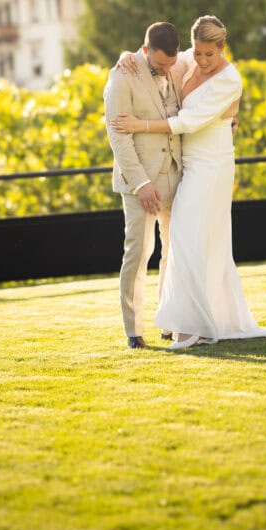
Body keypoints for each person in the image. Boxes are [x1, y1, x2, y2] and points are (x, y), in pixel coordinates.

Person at [112, 15, 266, 350]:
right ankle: (186, 320)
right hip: (187, 166)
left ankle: (193, 324)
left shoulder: (229, 79)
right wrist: (126, 56)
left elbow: (189, 121)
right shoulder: (185, 62)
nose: (203, 61)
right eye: (198, 53)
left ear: (223, 47)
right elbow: (149, 54)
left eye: (210, 54)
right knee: (185, 242)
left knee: (188, 239)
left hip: (211, 166)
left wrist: (139, 125)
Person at [103, 22, 185, 349]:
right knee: (139, 253)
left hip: (176, 174)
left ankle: (168, 319)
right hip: (140, 181)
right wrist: (141, 184)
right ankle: (134, 332)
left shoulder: (175, 66)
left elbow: (213, 64)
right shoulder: (121, 76)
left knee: (173, 251)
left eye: (171, 64)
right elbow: (118, 137)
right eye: (161, 64)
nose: (167, 70)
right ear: (146, 49)